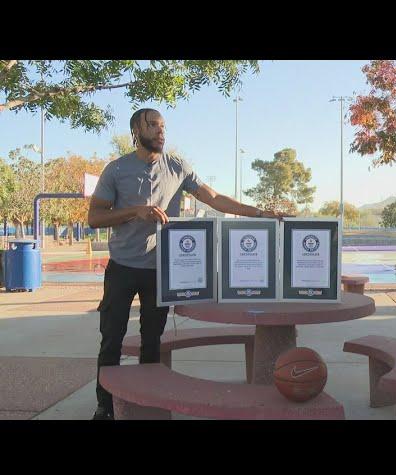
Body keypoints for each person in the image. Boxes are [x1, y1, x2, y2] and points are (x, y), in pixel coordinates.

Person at [88, 108, 282, 420]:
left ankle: (148, 401)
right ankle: (105, 405)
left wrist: (258, 213)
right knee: (112, 337)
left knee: (152, 340)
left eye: (163, 126)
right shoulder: (116, 170)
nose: (160, 131)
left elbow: (214, 197)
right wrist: (133, 211)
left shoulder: (177, 166)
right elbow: (94, 217)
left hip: (162, 271)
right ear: (135, 132)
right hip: (122, 268)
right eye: (152, 125)